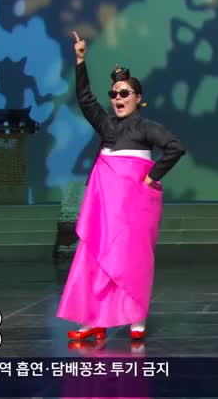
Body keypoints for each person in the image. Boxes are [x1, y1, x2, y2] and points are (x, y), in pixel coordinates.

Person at [57, 30, 185, 342]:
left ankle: (135, 317)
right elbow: (86, 99)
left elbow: (175, 147)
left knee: (133, 258)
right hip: (105, 208)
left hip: (134, 206)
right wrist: (80, 60)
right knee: (95, 258)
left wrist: (151, 178)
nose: (118, 98)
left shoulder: (147, 127)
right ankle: (94, 319)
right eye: (114, 94)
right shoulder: (107, 126)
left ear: (138, 98)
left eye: (125, 93)